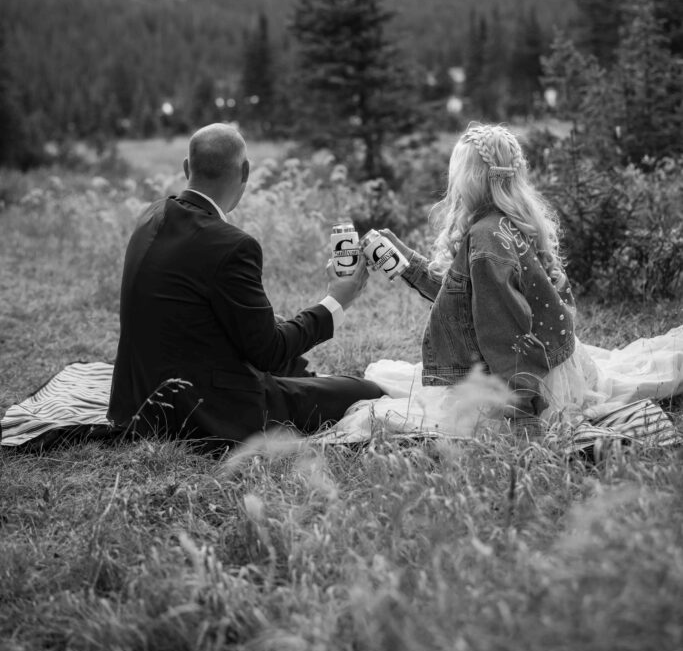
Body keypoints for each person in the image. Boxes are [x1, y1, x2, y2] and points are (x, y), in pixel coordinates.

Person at [329, 122, 683, 441]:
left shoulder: (485, 241)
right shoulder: (508, 222)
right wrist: (408, 265)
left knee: (392, 401)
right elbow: (466, 298)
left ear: (470, 179)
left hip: (522, 384)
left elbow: (504, 328)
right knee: (393, 380)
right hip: (552, 366)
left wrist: (521, 409)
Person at [108, 123, 384, 450]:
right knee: (368, 393)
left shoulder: (152, 214)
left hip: (138, 402)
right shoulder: (231, 245)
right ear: (246, 171)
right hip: (202, 412)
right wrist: (336, 301)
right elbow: (268, 351)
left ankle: (303, 382)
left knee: (294, 360)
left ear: (187, 167)